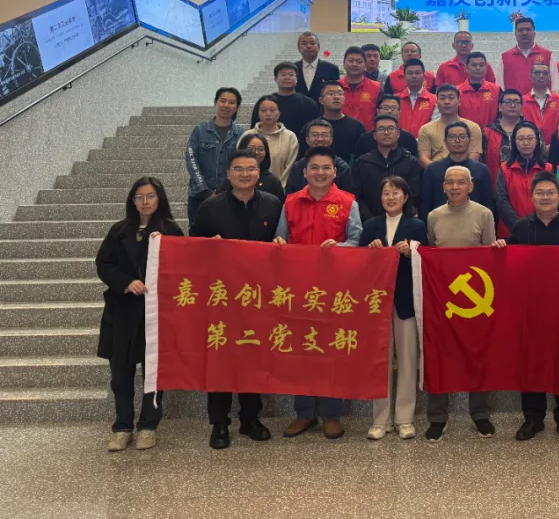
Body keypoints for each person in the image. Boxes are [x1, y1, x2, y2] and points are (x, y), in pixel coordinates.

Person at [189, 149, 283, 450]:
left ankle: (250, 418)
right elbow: (191, 246)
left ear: (259, 172)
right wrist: (208, 245)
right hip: (221, 296)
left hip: (258, 295)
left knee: (253, 354)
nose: (245, 174)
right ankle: (219, 422)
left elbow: (282, 242)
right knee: (221, 357)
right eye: (238, 169)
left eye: (250, 169)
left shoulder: (272, 204)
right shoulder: (210, 207)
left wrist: (281, 243)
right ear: (228, 174)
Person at [274, 147, 361, 441]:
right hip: (298, 288)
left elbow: (357, 240)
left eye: (326, 168)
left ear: (334, 172)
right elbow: (281, 237)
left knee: (330, 350)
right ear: (305, 172)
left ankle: (332, 414)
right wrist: (279, 243)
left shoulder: (347, 202)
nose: (320, 173)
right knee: (301, 351)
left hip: (334, 289)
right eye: (315, 168)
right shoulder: (290, 202)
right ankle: (304, 413)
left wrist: (340, 249)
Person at [96, 177, 184, 452]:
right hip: (122, 311)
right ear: (132, 201)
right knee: (120, 374)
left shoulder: (171, 230)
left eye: (150, 196)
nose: (145, 202)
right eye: (139, 197)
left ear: (160, 199)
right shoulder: (119, 230)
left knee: (153, 373)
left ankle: (148, 425)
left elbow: (183, 267)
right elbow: (104, 263)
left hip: (156, 313)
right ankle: (122, 426)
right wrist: (125, 282)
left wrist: (165, 246)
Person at [510, 171, 559, 444]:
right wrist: (500, 246)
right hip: (530, 309)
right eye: (540, 193)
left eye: (550, 193)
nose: (545, 197)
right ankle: (533, 418)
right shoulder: (520, 228)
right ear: (532, 197)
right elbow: (509, 265)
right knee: (531, 362)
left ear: (558, 197)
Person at [425, 165, 499, 442]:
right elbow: (432, 255)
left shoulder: (484, 214)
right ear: (443, 187)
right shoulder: (433, 216)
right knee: (439, 357)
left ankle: (480, 414)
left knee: (477, 355)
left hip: (475, 301)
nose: (455, 187)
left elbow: (489, 257)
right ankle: (437, 417)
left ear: (471, 186)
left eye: (461, 182)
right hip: (442, 300)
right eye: (450, 183)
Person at [360, 176, 427, 441]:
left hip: (405, 300)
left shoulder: (417, 225)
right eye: (386, 192)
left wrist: (412, 251)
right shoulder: (371, 226)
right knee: (380, 361)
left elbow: (427, 258)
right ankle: (381, 419)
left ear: (405, 197)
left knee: (408, 359)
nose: (391, 197)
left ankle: (404, 418)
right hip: (377, 301)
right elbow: (358, 262)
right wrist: (370, 251)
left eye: (396, 192)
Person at [186, 86, 245, 218]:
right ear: (215, 103)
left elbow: (241, 166)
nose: (226, 105)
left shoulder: (241, 135)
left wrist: (223, 191)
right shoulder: (200, 131)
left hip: (230, 197)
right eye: (222, 101)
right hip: (199, 195)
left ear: (237, 107)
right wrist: (205, 191)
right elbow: (191, 160)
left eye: (231, 102)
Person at [351, 113, 422, 221]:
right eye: (381, 129)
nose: (386, 132)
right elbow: (356, 196)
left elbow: (414, 195)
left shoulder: (411, 162)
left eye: (390, 128)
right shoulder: (362, 163)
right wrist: (371, 220)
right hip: (369, 222)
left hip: (403, 220)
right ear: (374, 135)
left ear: (398, 133)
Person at [419, 122, 495, 219]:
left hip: (473, 223)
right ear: (445, 142)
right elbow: (425, 203)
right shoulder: (433, 169)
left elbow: (488, 203)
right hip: (441, 222)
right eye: (452, 137)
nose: (457, 141)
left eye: (462, 137)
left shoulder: (481, 170)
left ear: (469, 141)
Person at [496, 120, 552, 237]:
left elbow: (551, 200)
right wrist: (520, 227)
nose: (526, 142)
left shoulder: (547, 169)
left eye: (530, 138)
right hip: (510, 232)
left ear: (537, 141)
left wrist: (536, 226)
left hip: (540, 230)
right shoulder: (505, 168)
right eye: (521, 139)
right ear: (514, 142)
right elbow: (502, 201)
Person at [418, 85, 482, 168]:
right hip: (436, 172)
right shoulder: (426, 129)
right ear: (436, 102)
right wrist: (439, 172)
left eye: (451, 98)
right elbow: (423, 158)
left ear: (459, 101)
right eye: (442, 98)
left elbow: (474, 156)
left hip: (465, 172)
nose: (447, 102)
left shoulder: (473, 127)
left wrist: (458, 172)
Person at [251, 63, 319, 138]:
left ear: (297, 79)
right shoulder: (266, 103)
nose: (287, 78)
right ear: (275, 79)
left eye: (291, 75)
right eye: (283, 75)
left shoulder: (308, 103)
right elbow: (255, 128)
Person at [285, 119, 352, 195]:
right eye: (315, 135)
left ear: (331, 139)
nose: (320, 139)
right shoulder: (297, 167)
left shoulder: (342, 168)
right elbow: (290, 196)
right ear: (307, 139)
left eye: (324, 135)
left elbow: (347, 197)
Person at [242, 95, 299, 182]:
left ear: (279, 112)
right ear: (258, 112)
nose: (268, 114)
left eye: (272, 110)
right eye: (263, 110)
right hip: (248, 186)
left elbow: (290, 167)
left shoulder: (290, 137)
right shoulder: (247, 135)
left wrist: (279, 187)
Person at [218, 132, 285, 203]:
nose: (256, 152)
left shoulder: (273, 181)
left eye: (261, 150)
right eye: (251, 149)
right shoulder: (232, 179)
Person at [315, 80, 367, 165]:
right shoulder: (314, 126)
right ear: (321, 100)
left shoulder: (357, 127)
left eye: (340, 94)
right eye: (330, 94)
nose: (336, 97)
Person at [354, 95, 419, 157]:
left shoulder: (408, 139)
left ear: (399, 113)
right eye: (385, 108)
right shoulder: (365, 139)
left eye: (393, 108)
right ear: (378, 112)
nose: (389, 111)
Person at [482, 88, 523, 185]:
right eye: (508, 102)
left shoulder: (532, 130)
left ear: (522, 107)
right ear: (500, 107)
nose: (512, 105)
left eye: (516, 102)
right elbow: (481, 163)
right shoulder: (488, 131)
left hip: (525, 185)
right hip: (495, 184)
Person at [502, 16, 552, 94]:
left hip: (541, 101)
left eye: (528, 29)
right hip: (514, 101)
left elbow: (555, 85)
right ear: (515, 34)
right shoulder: (505, 57)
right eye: (520, 30)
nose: (524, 33)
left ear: (534, 33)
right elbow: (500, 85)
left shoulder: (547, 55)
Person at [522, 61, 559, 144]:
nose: (541, 76)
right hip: (529, 146)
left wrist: (553, 144)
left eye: (545, 73)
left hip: (553, 146)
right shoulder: (523, 101)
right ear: (530, 77)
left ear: (549, 77)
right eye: (537, 73)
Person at [340, 46, 382, 129]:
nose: (354, 64)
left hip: (367, 135)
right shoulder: (336, 87)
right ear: (344, 63)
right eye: (351, 61)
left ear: (365, 65)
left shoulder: (376, 87)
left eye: (359, 61)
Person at [396, 59, 439, 137]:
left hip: (424, 143)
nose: (414, 76)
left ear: (424, 76)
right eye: (410, 73)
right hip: (398, 143)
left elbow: (434, 126)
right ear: (404, 77)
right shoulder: (395, 99)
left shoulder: (434, 100)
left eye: (417, 73)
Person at [456, 52, 500, 127]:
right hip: (464, 133)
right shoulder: (457, 91)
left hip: (490, 132)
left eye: (481, 65)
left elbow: (502, 115)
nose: (478, 68)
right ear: (466, 67)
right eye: (474, 65)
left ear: (486, 68)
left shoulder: (496, 90)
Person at [294, 31, 340, 99]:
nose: (308, 46)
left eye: (312, 43)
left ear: (318, 47)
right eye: (304, 43)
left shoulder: (332, 69)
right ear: (298, 48)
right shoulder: (293, 69)